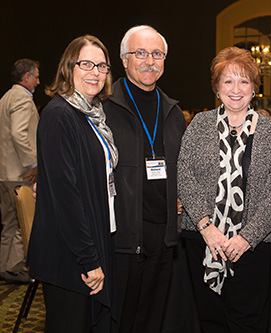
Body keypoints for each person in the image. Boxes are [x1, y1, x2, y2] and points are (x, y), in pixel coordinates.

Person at [178, 46, 271, 332]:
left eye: (244, 81)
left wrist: (246, 238)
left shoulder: (270, 130)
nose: (236, 89)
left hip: (252, 247)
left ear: (254, 87)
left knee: (247, 322)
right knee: (209, 320)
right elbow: (184, 175)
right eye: (228, 81)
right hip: (203, 241)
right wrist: (207, 227)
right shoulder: (199, 125)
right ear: (217, 87)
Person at [27, 35, 117, 332]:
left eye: (101, 66)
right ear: (69, 67)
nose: (95, 72)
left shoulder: (92, 116)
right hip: (69, 257)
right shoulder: (59, 116)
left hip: (86, 244)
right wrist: (89, 260)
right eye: (86, 64)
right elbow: (67, 197)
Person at [104, 25, 185, 332]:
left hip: (162, 237)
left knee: (152, 320)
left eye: (157, 54)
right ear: (124, 60)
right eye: (140, 53)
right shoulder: (104, 106)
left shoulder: (172, 111)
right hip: (121, 237)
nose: (149, 61)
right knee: (118, 321)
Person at [0, 58, 40, 284]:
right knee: (21, 222)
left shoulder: (6, 97)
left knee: (9, 222)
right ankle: (15, 267)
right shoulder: (22, 99)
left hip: (5, 172)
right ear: (26, 78)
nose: (37, 80)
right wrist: (32, 164)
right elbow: (18, 134)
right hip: (19, 173)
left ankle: (5, 265)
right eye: (35, 76)